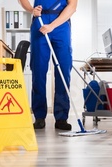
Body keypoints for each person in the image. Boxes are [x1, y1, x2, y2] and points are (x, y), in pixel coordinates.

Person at [18, 0, 77, 130]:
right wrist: (31, 10)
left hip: (61, 25)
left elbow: (72, 6)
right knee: (38, 71)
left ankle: (61, 117)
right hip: (40, 22)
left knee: (63, 71)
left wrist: (52, 26)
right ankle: (39, 117)